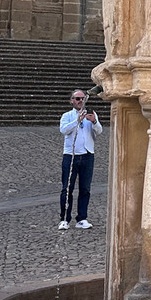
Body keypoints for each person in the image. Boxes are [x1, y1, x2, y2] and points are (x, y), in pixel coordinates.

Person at [58, 89, 102, 230]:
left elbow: (99, 131)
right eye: (77, 99)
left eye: (82, 98)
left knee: (85, 188)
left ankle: (82, 218)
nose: (80, 101)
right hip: (71, 155)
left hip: (88, 155)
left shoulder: (91, 114)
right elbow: (64, 130)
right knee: (67, 188)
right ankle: (64, 219)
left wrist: (94, 121)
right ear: (71, 100)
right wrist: (77, 121)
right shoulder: (67, 116)